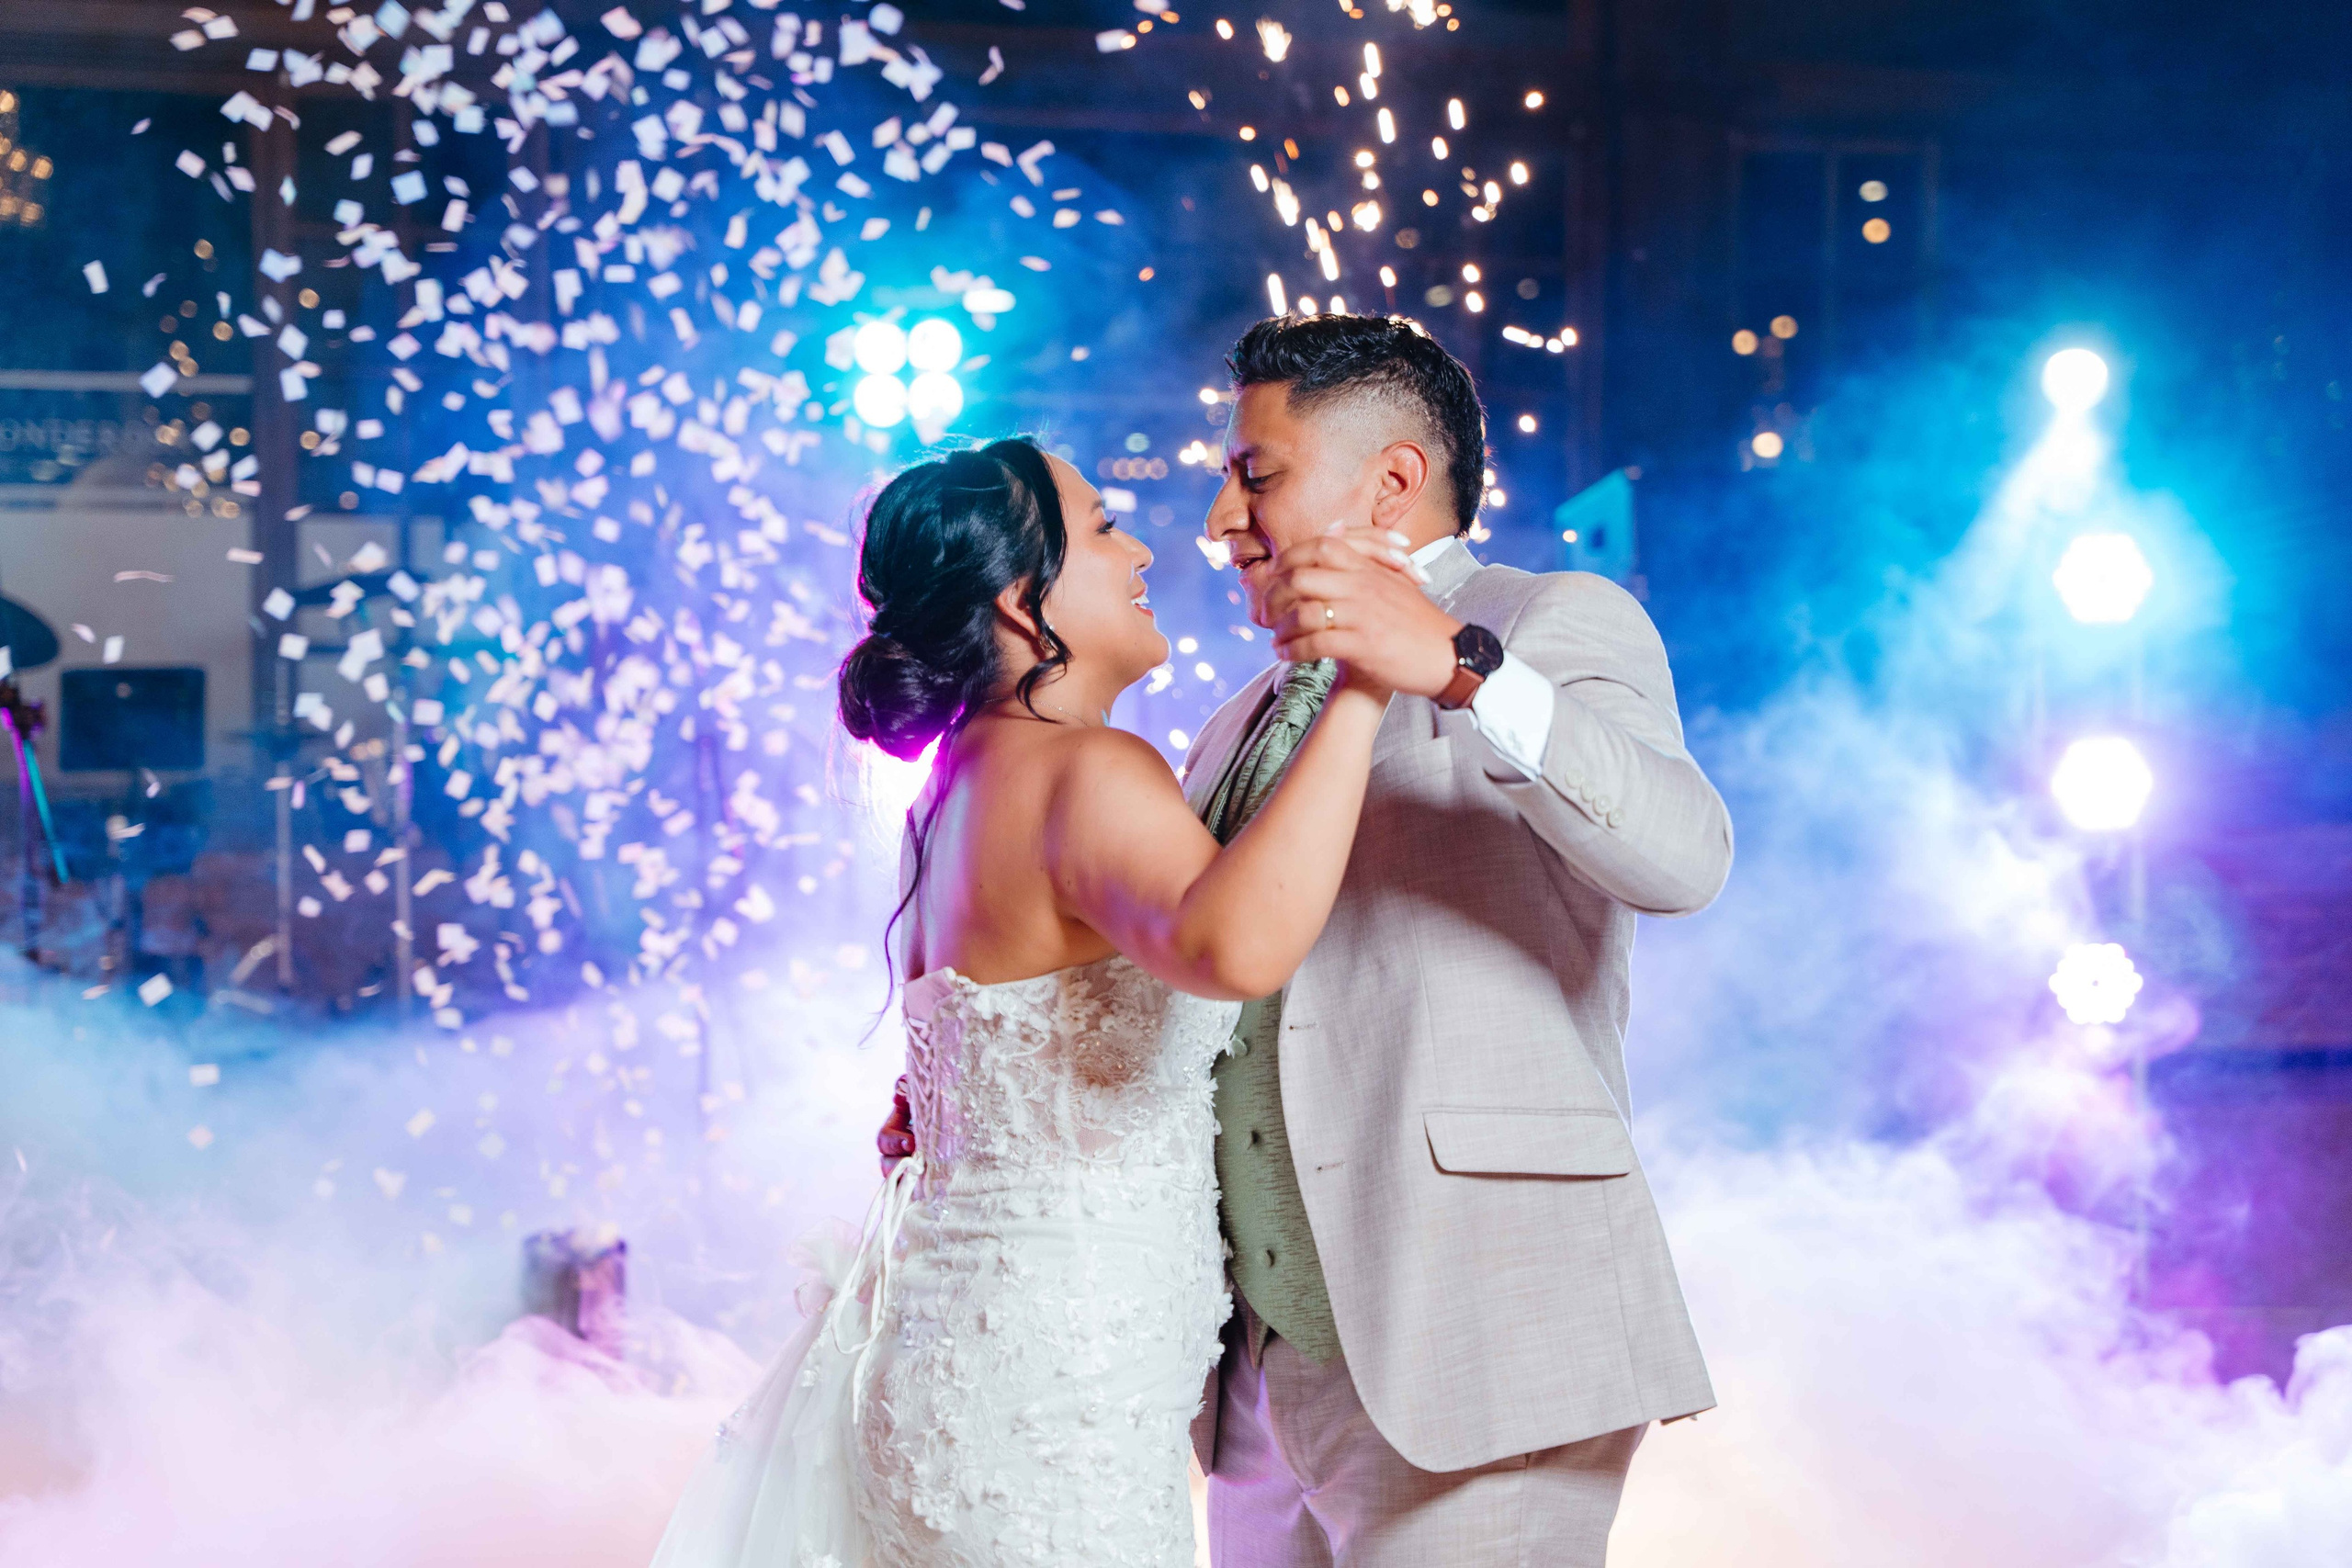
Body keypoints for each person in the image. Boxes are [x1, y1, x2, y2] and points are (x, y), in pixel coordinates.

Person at [880, 314, 1735, 1567]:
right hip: (1253, 1383)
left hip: (1474, 1333)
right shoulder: (1229, 723)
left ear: (1392, 480)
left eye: (1256, 474)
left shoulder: (1543, 621)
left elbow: (1686, 852)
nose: (1221, 520)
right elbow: (1194, 978)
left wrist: (1457, 668)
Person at [650, 436, 1418, 1568]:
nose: (1147, 546)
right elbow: (1237, 942)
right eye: (1104, 528)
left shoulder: (956, 787)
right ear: (1023, 603)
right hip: (1054, 1381)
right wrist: (1363, 687)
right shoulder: (1087, 769)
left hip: (970, 1355)